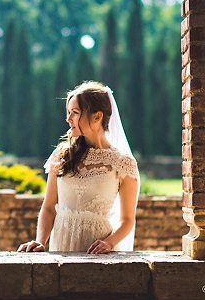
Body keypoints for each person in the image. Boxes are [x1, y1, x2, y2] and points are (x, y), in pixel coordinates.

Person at [18, 81, 139, 254]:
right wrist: (40, 241)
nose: (68, 119)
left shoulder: (124, 163)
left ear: (97, 117)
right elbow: (49, 207)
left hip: (98, 252)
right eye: (68, 113)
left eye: (74, 113)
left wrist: (109, 243)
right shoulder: (61, 156)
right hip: (61, 246)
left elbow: (127, 220)